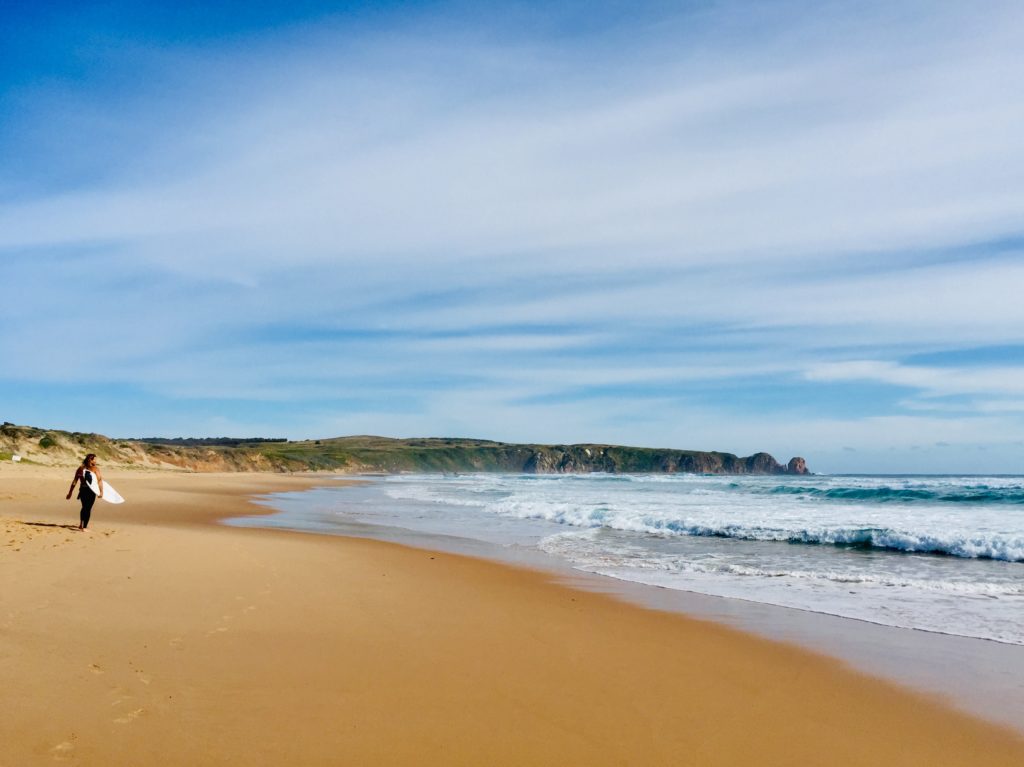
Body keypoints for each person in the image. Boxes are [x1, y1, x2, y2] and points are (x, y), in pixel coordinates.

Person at [67, 454, 103, 530]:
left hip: (83, 490)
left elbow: (74, 481)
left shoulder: (80, 469)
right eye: (94, 459)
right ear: (90, 460)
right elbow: (99, 481)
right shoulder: (95, 469)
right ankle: (84, 527)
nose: (96, 461)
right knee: (87, 508)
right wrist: (101, 491)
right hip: (90, 491)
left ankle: (81, 524)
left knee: (84, 507)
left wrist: (70, 492)